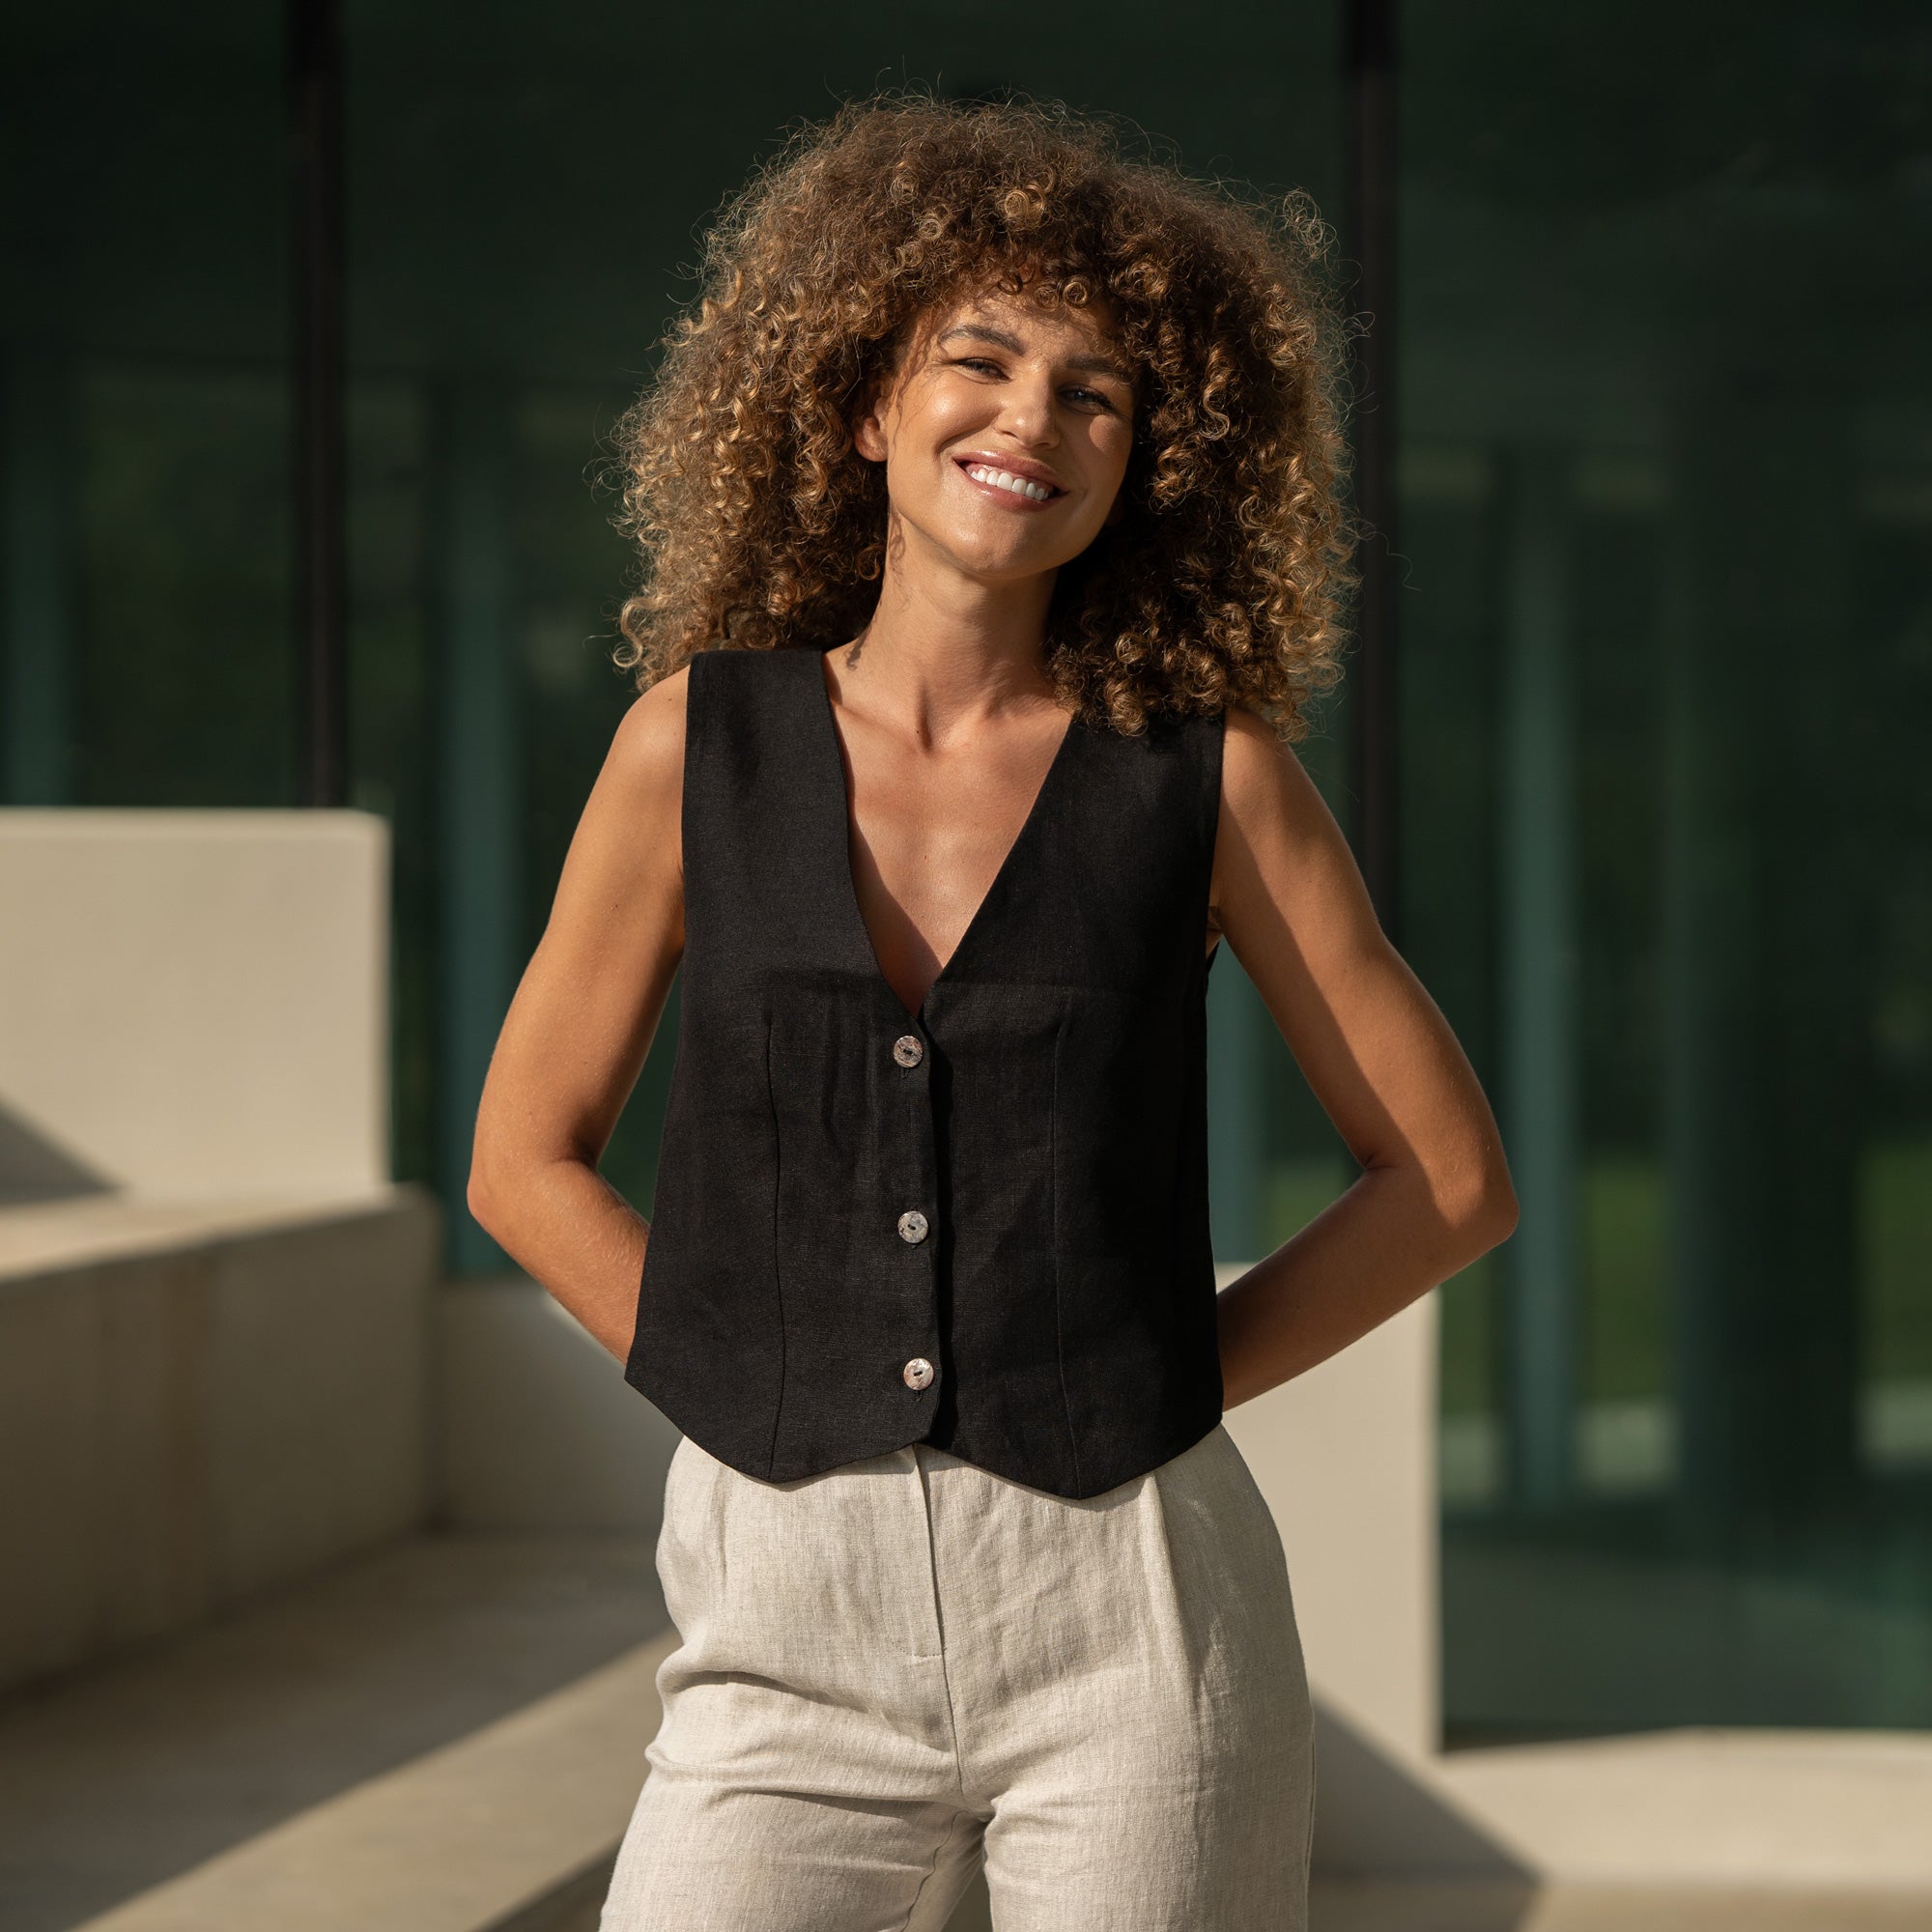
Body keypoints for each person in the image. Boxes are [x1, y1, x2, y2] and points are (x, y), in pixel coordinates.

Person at [468, 94, 1518, 1932]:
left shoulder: (1213, 785)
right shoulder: (689, 754)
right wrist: (743, 1371)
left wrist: (1168, 1380)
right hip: (782, 1629)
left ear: (1145, 465)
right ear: (869, 407)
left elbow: (1447, 1179)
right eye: (983, 359)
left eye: (1097, 391)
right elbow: (519, 1159)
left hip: (1132, 1622)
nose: (1033, 416)